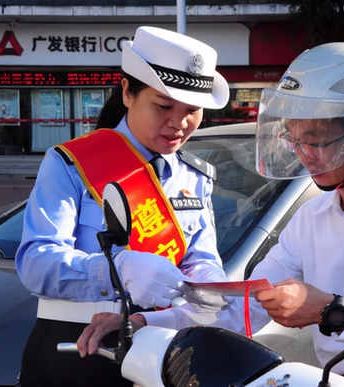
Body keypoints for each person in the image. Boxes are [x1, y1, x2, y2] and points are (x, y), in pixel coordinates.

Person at [77, 43, 344, 386]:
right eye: (294, 139)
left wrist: (334, 314)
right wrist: (144, 323)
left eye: (318, 141)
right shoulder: (309, 221)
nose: (305, 156)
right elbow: (242, 305)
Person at [15, 26, 230, 387]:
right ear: (128, 92)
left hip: (160, 350)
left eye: (193, 110)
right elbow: (36, 261)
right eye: (163, 106)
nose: (179, 123)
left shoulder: (196, 177)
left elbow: (200, 259)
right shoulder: (71, 163)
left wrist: (209, 281)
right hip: (77, 351)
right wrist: (116, 270)